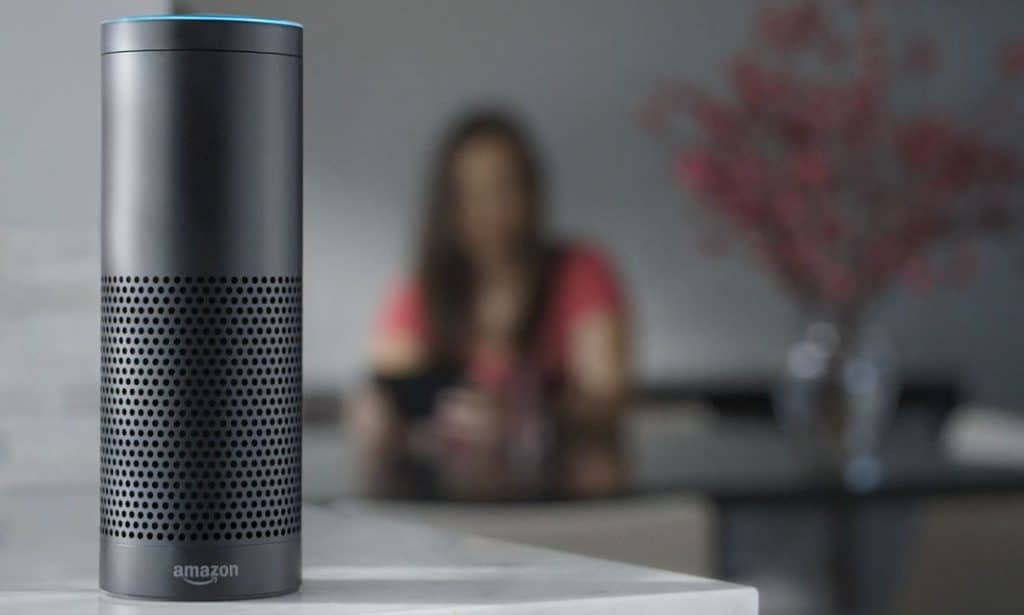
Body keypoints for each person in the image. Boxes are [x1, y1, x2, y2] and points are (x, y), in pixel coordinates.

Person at [345, 110, 629, 500]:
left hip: (564, 502)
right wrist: (382, 421)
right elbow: (389, 389)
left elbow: (605, 398)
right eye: (470, 193)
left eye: (503, 187)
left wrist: (526, 419)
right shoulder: (422, 288)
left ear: (531, 191)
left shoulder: (580, 271)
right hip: (449, 509)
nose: (488, 209)